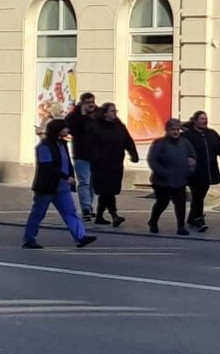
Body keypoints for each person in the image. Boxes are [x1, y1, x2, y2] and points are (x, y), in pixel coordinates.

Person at [22, 119, 97, 249]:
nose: (67, 130)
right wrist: (65, 176)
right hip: (47, 186)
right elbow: (47, 166)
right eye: (64, 128)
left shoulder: (62, 144)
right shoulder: (44, 146)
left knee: (70, 211)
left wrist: (69, 177)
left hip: (62, 187)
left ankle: (80, 237)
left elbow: (66, 163)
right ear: (57, 130)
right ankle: (29, 239)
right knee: (38, 213)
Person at [88, 102, 138, 227]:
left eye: (115, 110)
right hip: (101, 164)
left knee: (109, 190)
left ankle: (99, 216)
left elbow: (127, 140)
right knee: (106, 190)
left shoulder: (118, 125)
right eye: (112, 111)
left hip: (115, 163)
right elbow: (91, 145)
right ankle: (114, 215)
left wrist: (133, 153)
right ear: (105, 113)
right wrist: (97, 158)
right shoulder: (96, 126)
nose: (115, 113)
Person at [182, 111, 220, 232]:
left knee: (199, 196)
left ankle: (192, 218)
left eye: (205, 119)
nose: (204, 121)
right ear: (195, 120)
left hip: (208, 171)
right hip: (194, 172)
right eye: (201, 119)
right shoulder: (188, 135)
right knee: (198, 196)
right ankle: (199, 220)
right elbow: (180, 150)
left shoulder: (211, 134)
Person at [147, 118, 197, 235]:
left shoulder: (184, 142)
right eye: (172, 129)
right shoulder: (160, 143)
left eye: (177, 129)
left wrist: (190, 167)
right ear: (167, 130)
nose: (175, 132)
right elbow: (152, 160)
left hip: (180, 179)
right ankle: (153, 221)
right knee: (162, 203)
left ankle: (181, 227)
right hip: (162, 181)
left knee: (180, 204)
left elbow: (192, 156)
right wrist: (162, 172)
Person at [64, 92, 98, 220]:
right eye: (88, 103)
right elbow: (68, 126)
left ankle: (90, 206)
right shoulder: (75, 115)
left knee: (93, 183)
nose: (91, 105)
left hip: (95, 154)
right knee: (84, 181)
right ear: (82, 103)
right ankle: (86, 208)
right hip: (81, 153)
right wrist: (82, 115)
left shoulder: (97, 114)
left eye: (92, 102)